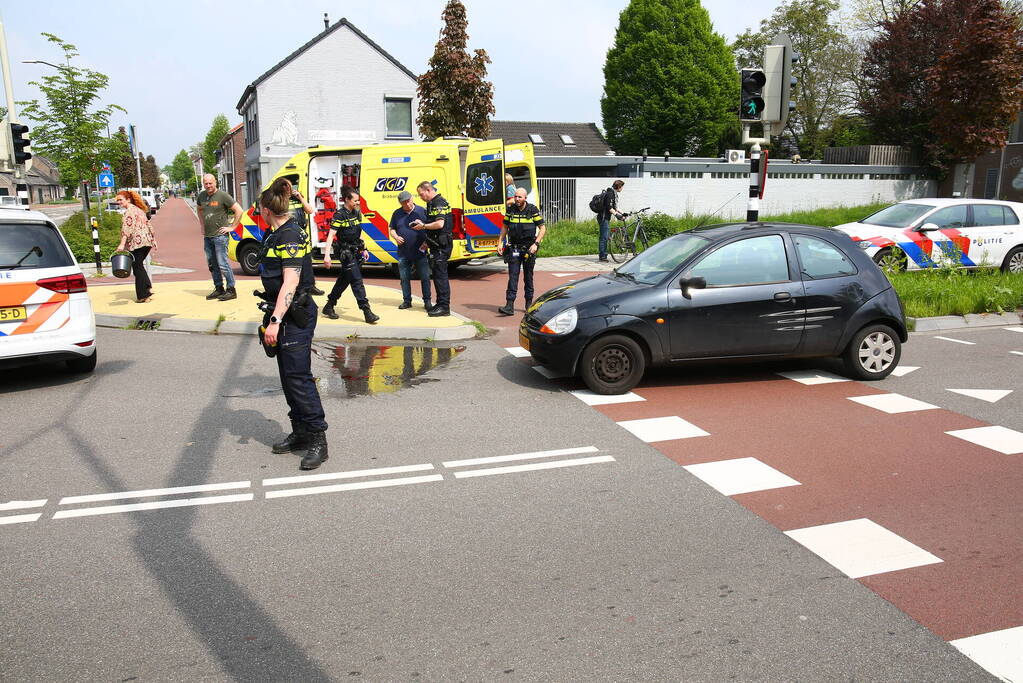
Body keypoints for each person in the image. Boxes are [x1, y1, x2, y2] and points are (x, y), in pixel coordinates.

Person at [258, 183, 329, 470]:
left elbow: (291, 280)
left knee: (299, 378)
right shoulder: (277, 231)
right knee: (288, 377)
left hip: (294, 314)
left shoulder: (288, 235)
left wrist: (275, 321)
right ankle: (300, 431)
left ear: (266, 211)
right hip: (282, 310)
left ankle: (317, 439)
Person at [322, 186, 379, 324]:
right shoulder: (339, 215)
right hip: (345, 253)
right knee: (356, 280)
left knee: (344, 279)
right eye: (355, 200)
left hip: (356, 251)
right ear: (347, 200)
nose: (357, 203)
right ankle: (367, 311)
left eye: (358, 200)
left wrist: (364, 248)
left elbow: (357, 234)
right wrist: (327, 256)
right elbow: (331, 236)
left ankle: (329, 305)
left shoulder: (356, 213)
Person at [497, 188, 546, 316]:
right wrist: (500, 242)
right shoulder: (511, 210)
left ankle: (529, 304)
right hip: (514, 248)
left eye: (520, 197)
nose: (517, 199)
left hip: (529, 248)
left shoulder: (532, 210)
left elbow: (542, 228)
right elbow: (504, 227)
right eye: (515, 197)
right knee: (512, 277)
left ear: (525, 198)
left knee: (528, 277)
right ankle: (509, 305)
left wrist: (536, 244)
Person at [270, 176, 323, 295]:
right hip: (288, 235)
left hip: (301, 233)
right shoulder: (277, 201)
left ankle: (310, 286)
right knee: (291, 264)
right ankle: (296, 288)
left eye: (290, 188)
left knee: (307, 261)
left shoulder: (297, 198)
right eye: (286, 189)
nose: (289, 191)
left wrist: (300, 197)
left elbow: (309, 210)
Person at [196, 174, 244, 300]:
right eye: (206, 183)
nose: (208, 186)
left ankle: (231, 289)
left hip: (220, 236)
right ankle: (219, 288)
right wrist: (201, 225)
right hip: (208, 236)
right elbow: (199, 209)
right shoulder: (201, 196)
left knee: (222, 263)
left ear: (215, 182)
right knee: (212, 264)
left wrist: (232, 227)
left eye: (210, 183)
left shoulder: (223, 196)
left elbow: (239, 210)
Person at [412, 181, 453, 317]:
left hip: (441, 246)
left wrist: (423, 226)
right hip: (436, 244)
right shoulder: (432, 203)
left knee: (441, 277)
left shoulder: (438, 203)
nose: (421, 197)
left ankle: (444, 307)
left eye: (422, 194)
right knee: (437, 276)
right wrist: (427, 242)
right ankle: (440, 303)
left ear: (428, 190)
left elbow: (440, 224)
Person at [388, 190, 432, 310]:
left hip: (420, 251)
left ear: (412, 198)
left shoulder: (422, 211)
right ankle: (407, 301)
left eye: (408, 201)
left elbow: (431, 228)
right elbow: (392, 229)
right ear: (400, 203)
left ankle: (427, 301)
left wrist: (427, 242)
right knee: (404, 278)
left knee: (425, 277)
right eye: (404, 203)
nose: (407, 204)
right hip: (403, 252)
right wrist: (396, 237)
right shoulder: (397, 213)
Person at [114, 190, 157, 303]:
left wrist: (122, 244)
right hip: (147, 242)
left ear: (128, 199)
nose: (119, 202)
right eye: (117, 200)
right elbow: (149, 225)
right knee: (138, 266)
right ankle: (146, 290)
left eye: (120, 200)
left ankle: (144, 294)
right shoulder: (139, 210)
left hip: (138, 242)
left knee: (137, 267)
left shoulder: (129, 211)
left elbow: (127, 229)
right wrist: (153, 239)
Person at [597, 179, 626, 263]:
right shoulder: (610, 194)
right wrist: (617, 215)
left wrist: (623, 213)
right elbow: (609, 208)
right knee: (604, 237)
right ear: (619, 186)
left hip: (606, 217)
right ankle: (602, 256)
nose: (622, 189)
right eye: (622, 187)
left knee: (606, 236)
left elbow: (615, 207)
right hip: (603, 217)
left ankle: (603, 254)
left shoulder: (614, 194)